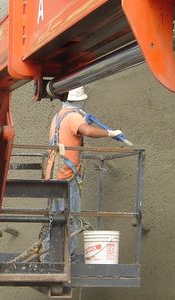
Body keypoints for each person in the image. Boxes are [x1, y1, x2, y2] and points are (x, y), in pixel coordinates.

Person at [42, 87, 123, 261]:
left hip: (55, 173)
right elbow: (87, 131)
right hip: (67, 176)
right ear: (79, 100)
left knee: (55, 217)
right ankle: (68, 256)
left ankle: (50, 254)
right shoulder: (73, 117)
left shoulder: (59, 117)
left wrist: (83, 120)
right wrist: (110, 133)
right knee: (72, 217)